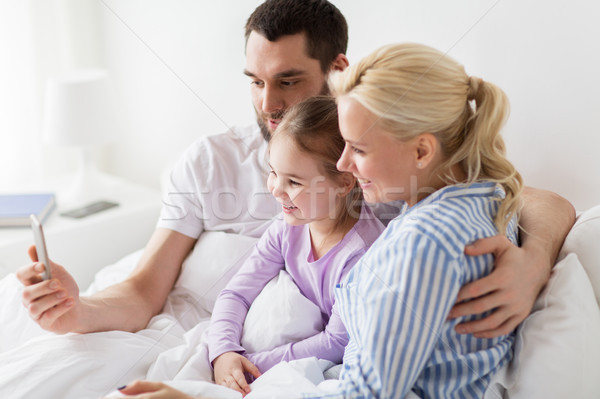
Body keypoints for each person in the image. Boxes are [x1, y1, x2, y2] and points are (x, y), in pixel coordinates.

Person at [13, 0, 571, 379]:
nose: (267, 105)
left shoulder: (376, 164)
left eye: (287, 80)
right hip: (199, 341)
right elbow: (144, 288)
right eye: (255, 81)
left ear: (336, 69)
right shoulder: (209, 161)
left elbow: (526, 197)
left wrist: (532, 263)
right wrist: (78, 309)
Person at [317, 42, 526, 398]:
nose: (342, 163)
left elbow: (368, 395)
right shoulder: (488, 194)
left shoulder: (425, 241)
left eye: (359, 149)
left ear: (421, 151)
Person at [207, 96, 384, 395]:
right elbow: (237, 292)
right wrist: (223, 352)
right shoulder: (286, 229)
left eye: (294, 182)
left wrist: (250, 363)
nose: (276, 189)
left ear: (344, 182)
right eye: (274, 173)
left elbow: (336, 341)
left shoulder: (363, 253)